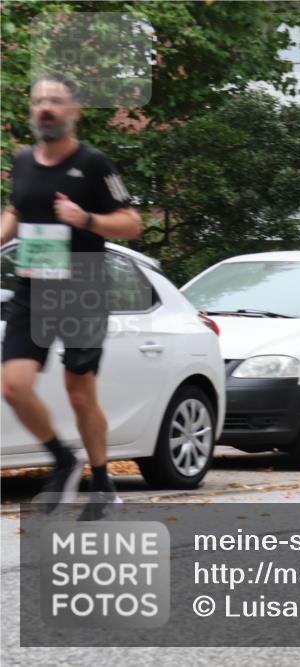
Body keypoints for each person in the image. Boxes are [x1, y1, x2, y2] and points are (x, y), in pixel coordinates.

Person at [0, 75, 143, 517]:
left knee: (79, 392)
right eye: (39, 100)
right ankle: (63, 459)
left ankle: (102, 485)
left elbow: (133, 223)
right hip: (33, 284)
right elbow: (15, 211)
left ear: (75, 111)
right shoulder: (22, 161)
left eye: (56, 101)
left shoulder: (95, 163)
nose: (46, 107)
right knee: (13, 385)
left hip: (82, 284)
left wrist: (86, 219)